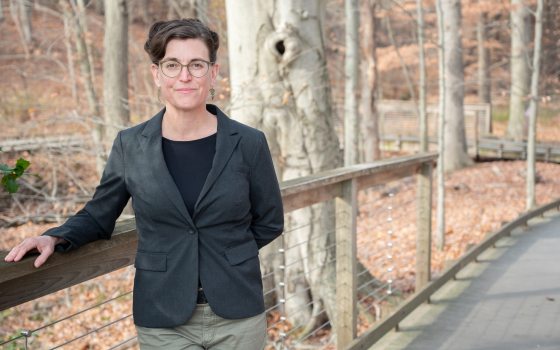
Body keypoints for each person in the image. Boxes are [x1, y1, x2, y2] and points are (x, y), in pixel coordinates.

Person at [4, 18, 284, 350]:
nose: (184, 76)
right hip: (163, 316)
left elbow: (269, 220)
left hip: (238, 312)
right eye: (172, 65)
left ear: (213, 72)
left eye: (196, 64)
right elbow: (98, 215)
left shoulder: (249, 143)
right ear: (156, 74)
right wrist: (54, 236)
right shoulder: (130, 145)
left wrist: (228, 254)